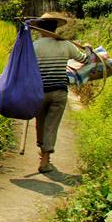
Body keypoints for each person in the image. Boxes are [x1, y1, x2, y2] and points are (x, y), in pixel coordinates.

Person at [30, 12, 89, 173]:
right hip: (59, 92)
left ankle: (42, 154)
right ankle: (45, 160)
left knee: (40, 122)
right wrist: (89, 49)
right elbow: (85, 60)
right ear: (56, 27)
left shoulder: (34, 46)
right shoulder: (66, 45)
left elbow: (27, 69)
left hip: (39, 92)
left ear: (40, 28)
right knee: (52, 125)